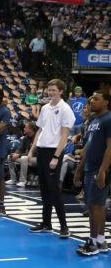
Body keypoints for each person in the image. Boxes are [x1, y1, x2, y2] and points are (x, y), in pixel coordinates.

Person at [28, 79, 75, 238]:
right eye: (49, 90)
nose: (51, 93)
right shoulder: (45, 108)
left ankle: (64, 226)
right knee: (44, 189)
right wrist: (31, 150)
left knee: (54, 190)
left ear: (61, 91)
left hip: (53, 152)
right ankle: (46, 223)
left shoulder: (65, 109)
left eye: (54, 90)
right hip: (41, 151)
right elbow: (39, 130)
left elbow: (64, 135)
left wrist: (56, 156)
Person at [73, 91, 111, 256]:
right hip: (90, 167)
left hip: (100, 169)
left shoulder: (109, 119)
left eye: (96, 99)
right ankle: (101, 240)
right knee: (95, 205)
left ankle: (93, 242)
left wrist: (103, 170)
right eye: (91, 100)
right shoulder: (94, 121)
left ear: (106, 102)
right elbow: (88, 147)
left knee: (96, 206)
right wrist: (79, 169)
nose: (92, 102)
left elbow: (110, 147)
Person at [6, 121, 38, 187]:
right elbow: (20, 149)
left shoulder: (38, 138)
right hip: (27, 157)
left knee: (24, 158)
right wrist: (15, 153)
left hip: (37, 159)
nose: (24, 129)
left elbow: (35, 153)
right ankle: (13, 179)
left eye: (26, 128)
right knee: (10, 157)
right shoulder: (26, 138)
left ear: (31, 129)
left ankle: (23, 181)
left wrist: (19, 155)